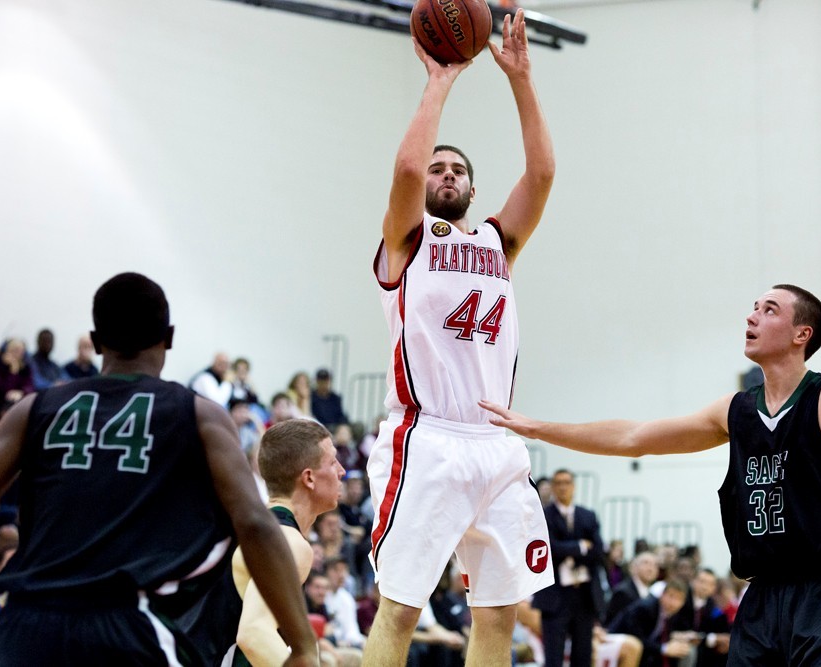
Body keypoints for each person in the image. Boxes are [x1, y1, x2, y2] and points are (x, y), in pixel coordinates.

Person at [481, 284, 821, 666]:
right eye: (753, 308)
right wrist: (539, 428)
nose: (752, 317)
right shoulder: (735, 411)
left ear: (802, 333)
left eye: (769, 309)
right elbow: (635, 437)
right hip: (763, 596)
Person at [0, 272, 318, 666]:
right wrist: (302, 644)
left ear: (95, 338)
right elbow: (257, 524)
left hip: (28, 626)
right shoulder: (200, 417)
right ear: (170, 336)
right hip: (125, 625)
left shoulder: (32, 410)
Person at [363, 8, 555, 667]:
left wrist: (521, 80)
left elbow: (542, 175)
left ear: (473, 187)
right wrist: (441, 80)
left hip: (496, 441)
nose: (444, 174)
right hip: (427, 437)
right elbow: (408, 172)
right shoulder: (408, 239)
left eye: (457, 170)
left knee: (498, 613)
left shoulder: (498, 241)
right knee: (402, 609)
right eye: (439, 167)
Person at [227, 419, 346, 666]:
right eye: (333, 462)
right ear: (309, 478)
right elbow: (254, 634)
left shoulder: (262, 530)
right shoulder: (288, 542)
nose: (342, 471)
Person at [533, 468, 605, 667]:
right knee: (553, 656)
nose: (563, 487)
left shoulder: (588, 515)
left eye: (566, 482)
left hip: (584, 594)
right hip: (555, 595)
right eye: (558, 483)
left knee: (583, 654)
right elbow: (549, 548)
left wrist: (567, 551)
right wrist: (581, 546)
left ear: (573, 486)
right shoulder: (543, 515)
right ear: (553, 487)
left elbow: (598, 551)